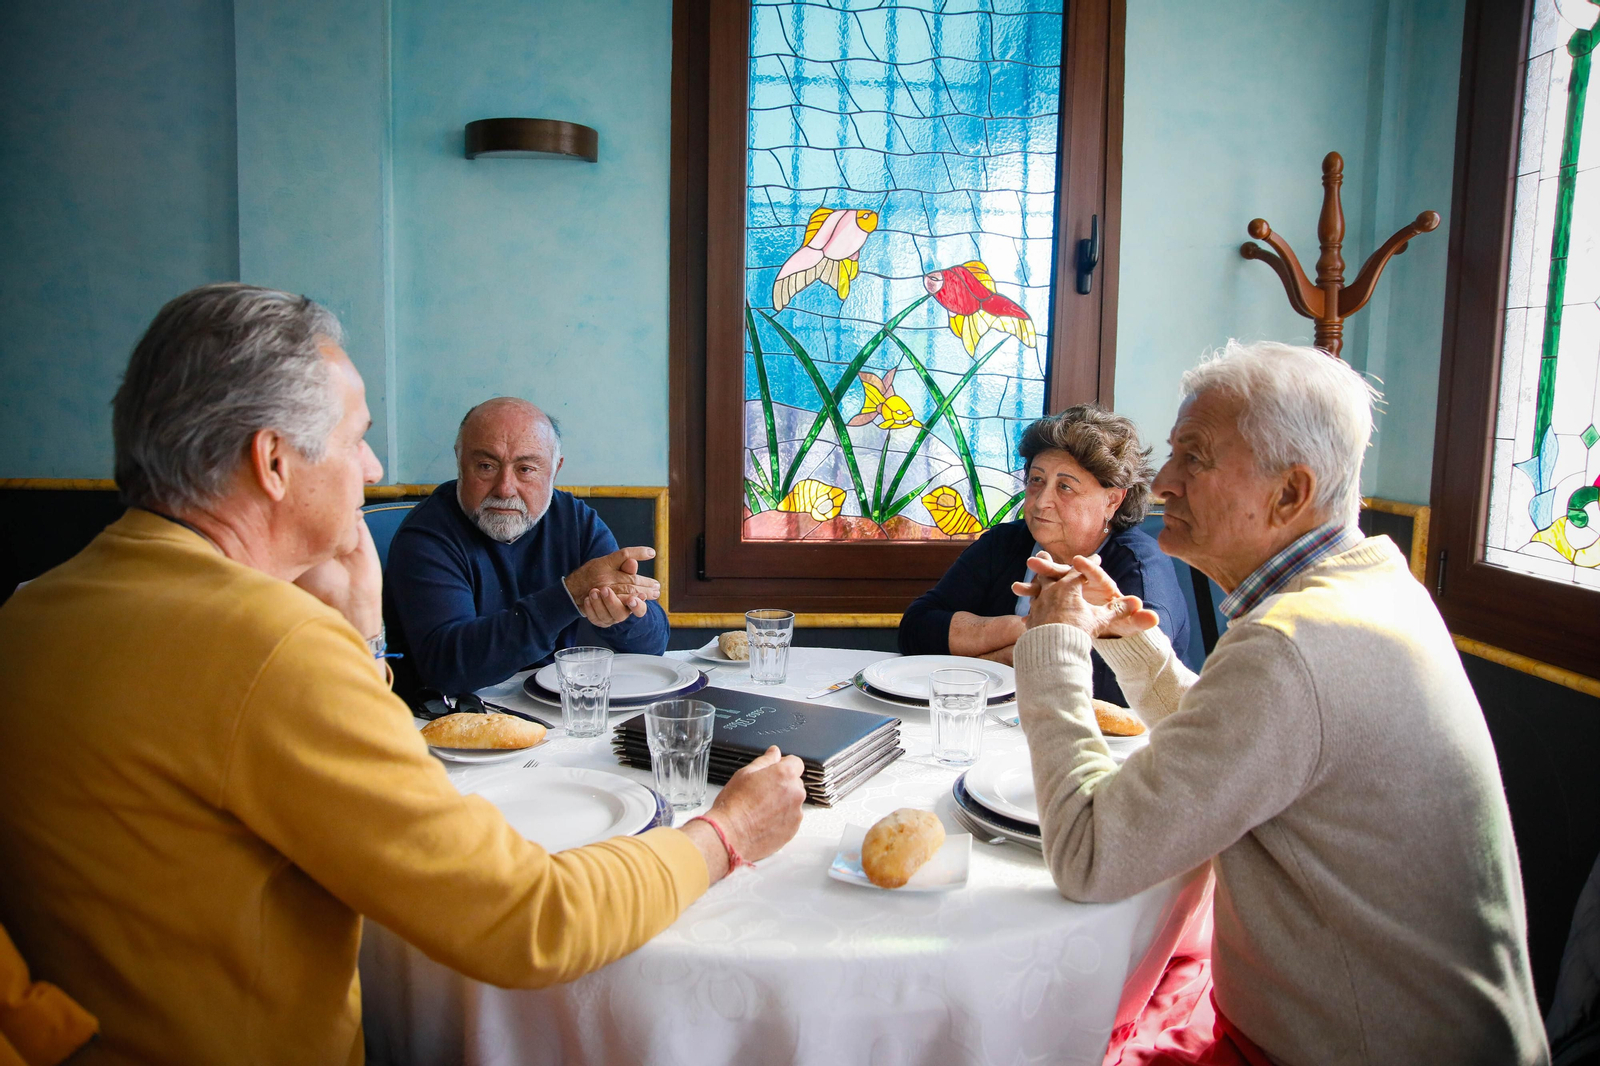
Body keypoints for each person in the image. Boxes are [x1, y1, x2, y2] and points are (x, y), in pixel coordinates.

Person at [0, 284, 807, 1065]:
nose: (375, 465)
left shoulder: (30, 613)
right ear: (274, 461)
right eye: (356, 438)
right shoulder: (272, 649)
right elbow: (531, 921)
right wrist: (725, 833)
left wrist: (355, 641)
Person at [1010, 341, 1547, 1065]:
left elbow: (1090, 857)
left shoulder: (1292, 644)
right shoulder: (1367, 586)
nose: (1162, 483)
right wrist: (1124, 642)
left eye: (1193, 457)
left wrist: (1051, 645)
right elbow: (1252, 748)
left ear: (1289, 494)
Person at [898, 404, 1193, 703]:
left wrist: (991, 659)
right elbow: (915, 629)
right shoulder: (1005, 544)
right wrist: (1020, 629)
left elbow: (1122, 685)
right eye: (1037, 480)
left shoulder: (1140, 567)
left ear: (1112, 501)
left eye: (1065, 487)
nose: (1041, 502)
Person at [384, 397, 668, 703]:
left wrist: (621, 614)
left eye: (526, 469)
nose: (505, 488)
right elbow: (449, 669)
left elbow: (654, 646)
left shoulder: (575, 520)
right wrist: (569, 595)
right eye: (486, 466)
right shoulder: (427, 535)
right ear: (459, 460)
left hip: (549, 713)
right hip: (441, 724)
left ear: (554, 470)